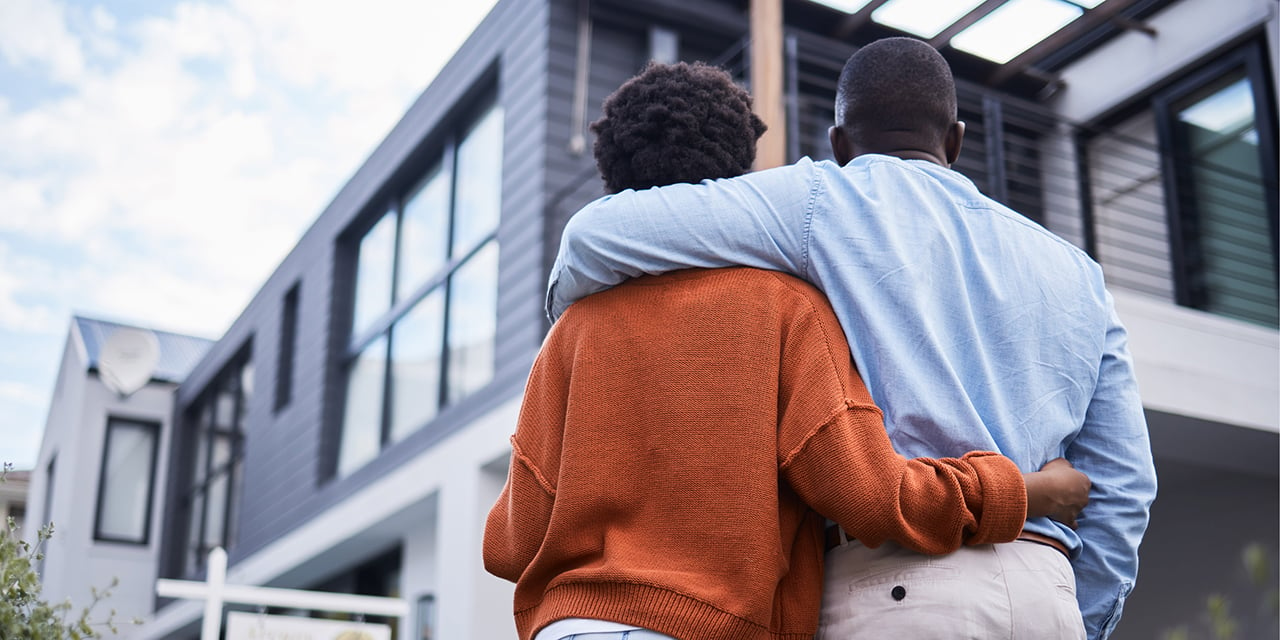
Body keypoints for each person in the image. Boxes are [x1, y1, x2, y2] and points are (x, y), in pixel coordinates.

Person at [546, 39, 1157, 640]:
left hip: (892, 585)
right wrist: (1082, 613)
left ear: (840, 143)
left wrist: (575, 325)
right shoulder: (1076, 270)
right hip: (1045, 590)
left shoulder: (820, 202)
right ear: (956, 140)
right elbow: (1123, 483)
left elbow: (591, 240)